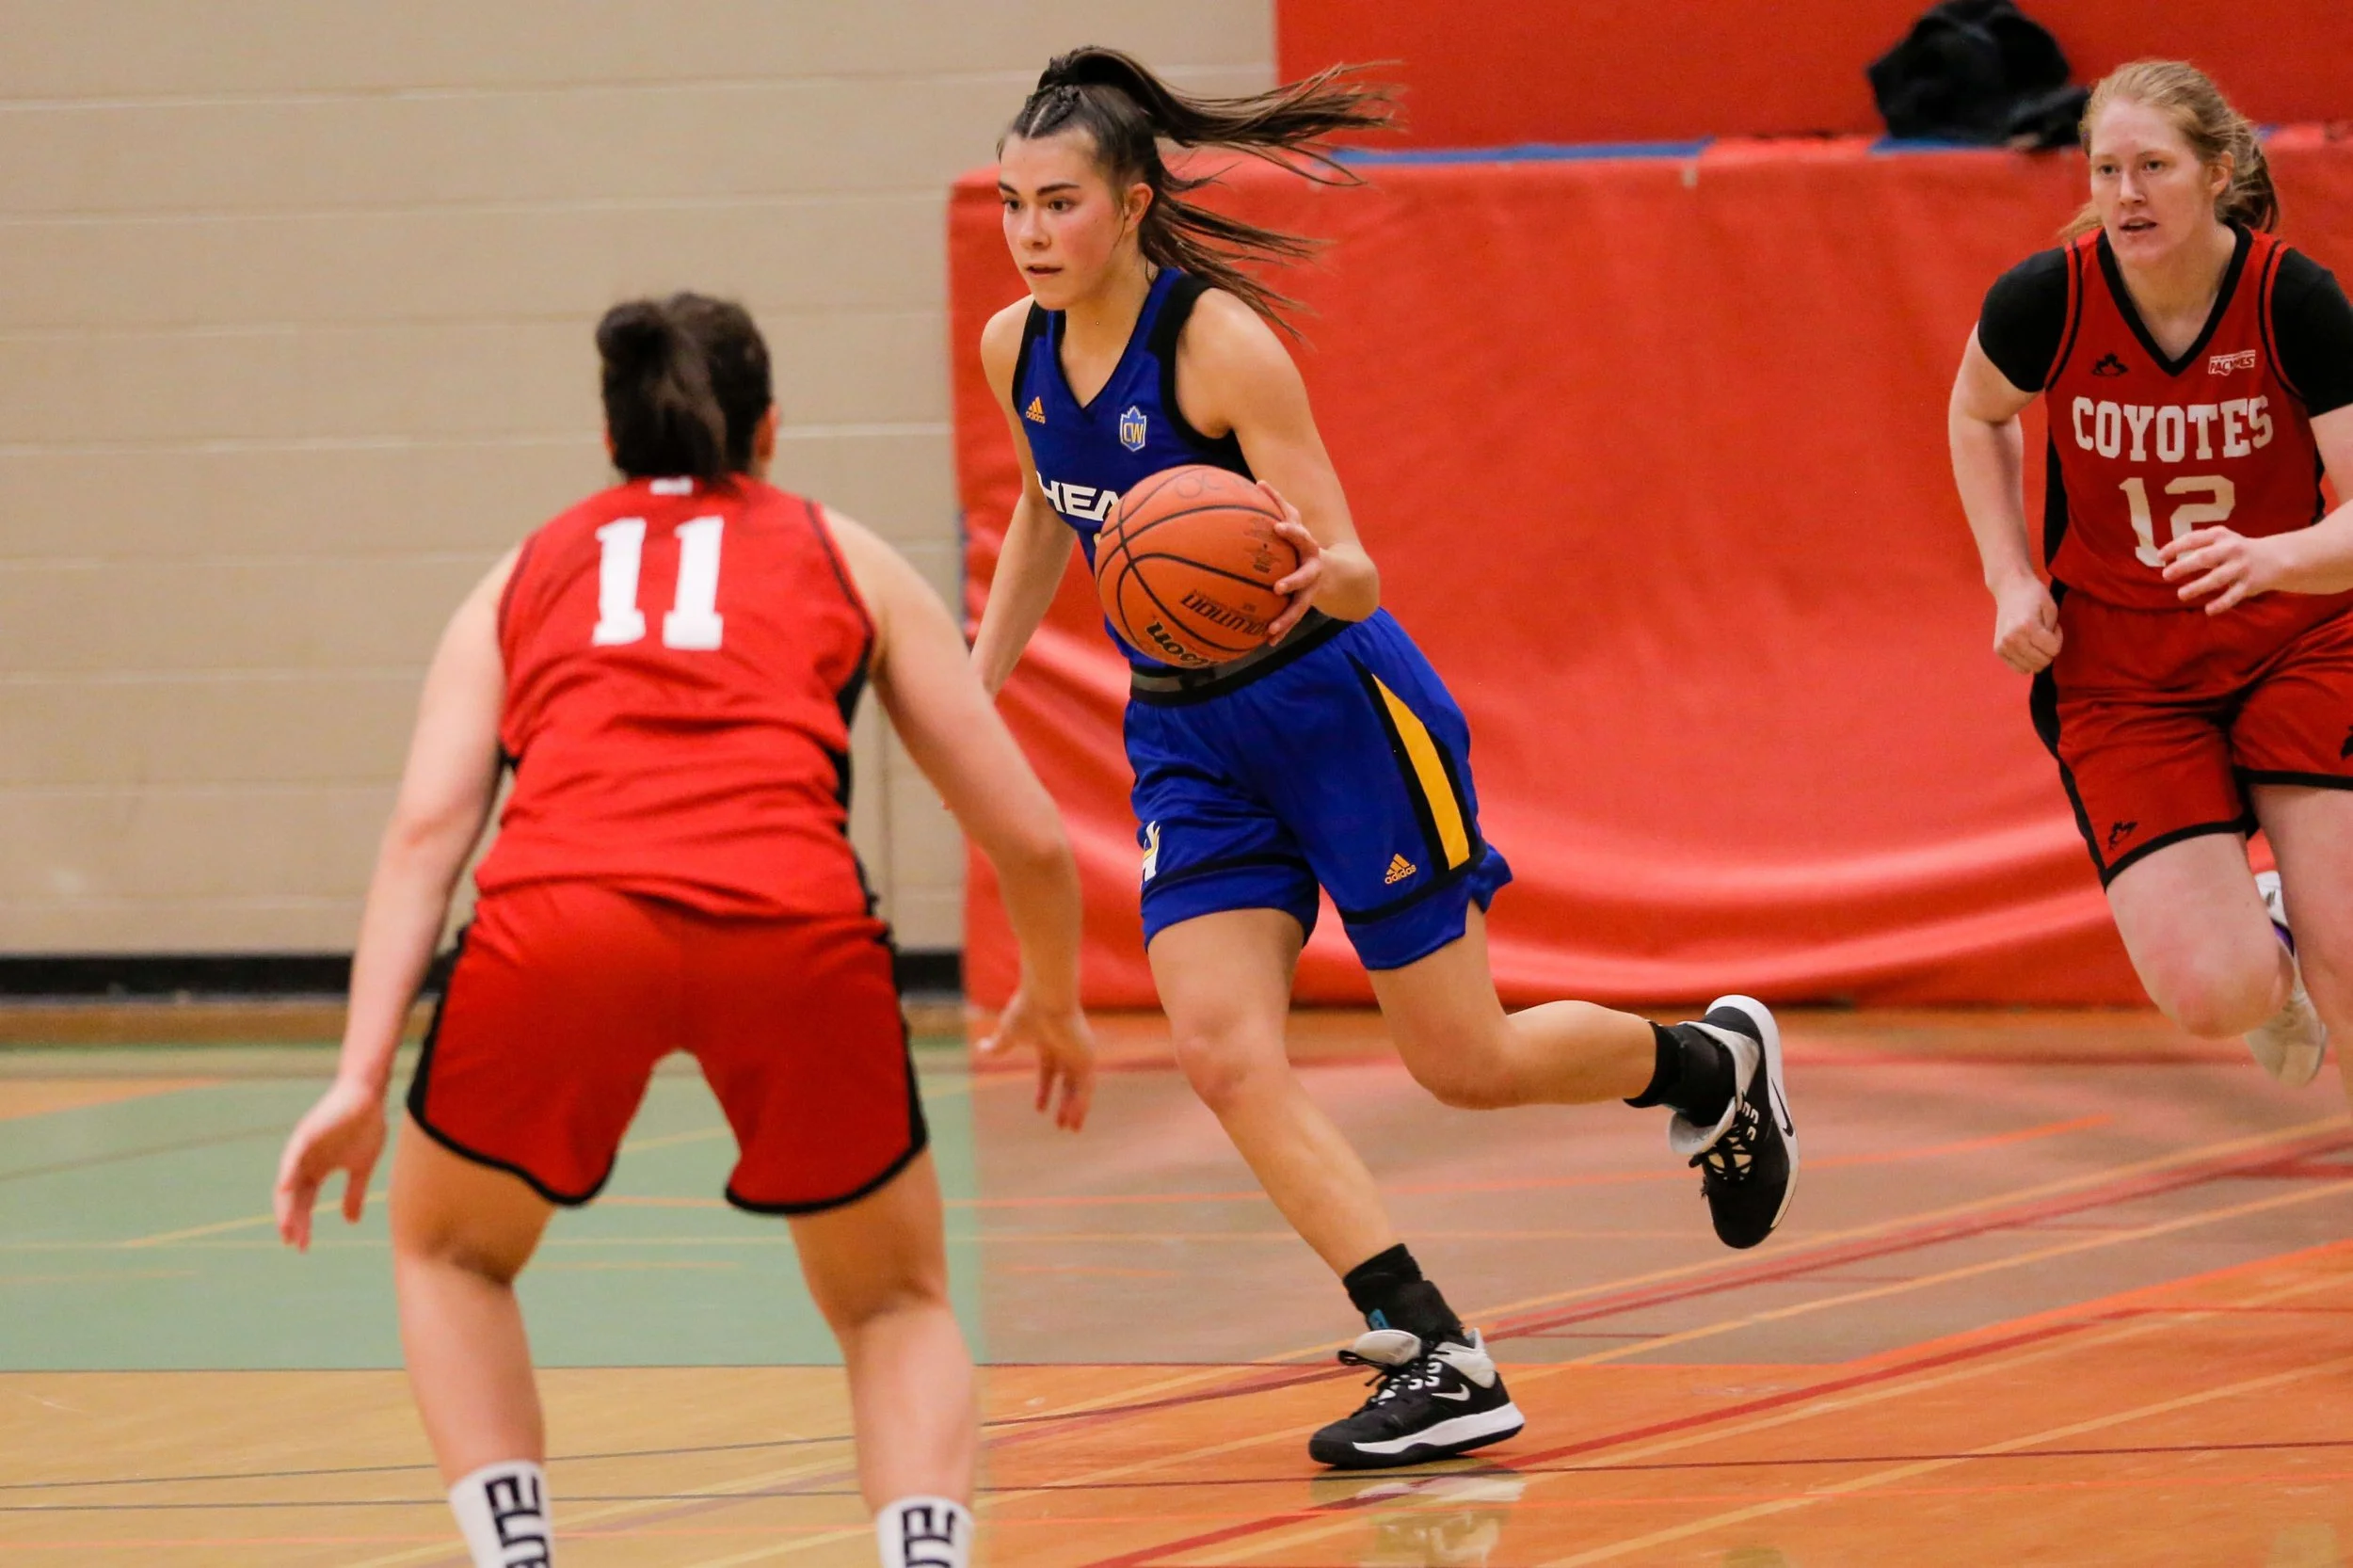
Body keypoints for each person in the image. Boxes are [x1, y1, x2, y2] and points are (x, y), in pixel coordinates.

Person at [973, 47, 1800, 1470]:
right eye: (1012, 205)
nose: (1033, 233)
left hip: (1332, 701)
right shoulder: (1017, 348)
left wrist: (1325, 567)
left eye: (1059, 204)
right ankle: (1434, 1346)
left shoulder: (1218, 343)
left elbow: (1350, 563)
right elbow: (1054, 506)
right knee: (1223, 1052)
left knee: (1463, 1061)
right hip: (1183, 732)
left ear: (1127, 206)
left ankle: (1708, 1064)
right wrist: (969, 678)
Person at [273, 294, 1096, 1568]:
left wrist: (357, 1076)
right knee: (891, 1295)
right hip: (792, 924)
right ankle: (925, 1553)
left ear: (610, 442)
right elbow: (1034, 839)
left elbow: (425, 834)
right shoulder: (847, 556)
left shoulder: (527, 567)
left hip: (560, 923)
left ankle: (518, 1552)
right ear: (769, 431)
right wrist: (1053, 992)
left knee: (450, 1249)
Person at [1950, 60, 2353, 1097]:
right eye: (2105, 169)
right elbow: (1978, 412)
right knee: (2217, 993)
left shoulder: (2292, 300)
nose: (2125, 193)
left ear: (2217, 173)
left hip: (2299, 638)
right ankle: (2260, 930)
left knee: (2350, 944)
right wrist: (2008, 577)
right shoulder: (2047, 300)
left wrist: (2275, 558)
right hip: (2124, 671)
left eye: (2153, 167)